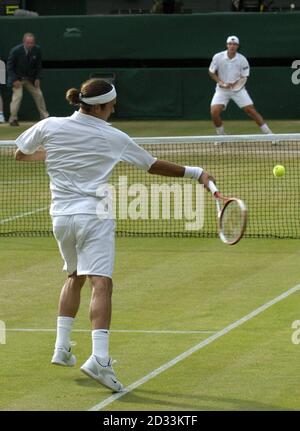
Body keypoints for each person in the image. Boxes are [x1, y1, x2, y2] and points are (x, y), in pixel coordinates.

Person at [14, 78, 215, 392]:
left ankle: (62, 347)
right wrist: (196, 172)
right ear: (102, 106)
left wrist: (54, 154)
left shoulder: (50, 125)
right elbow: (152, 165)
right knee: (101, 282)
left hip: (61, 218)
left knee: (74, 275)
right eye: (112, 106)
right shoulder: (114, 136)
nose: (113, 110)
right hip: (94, 216)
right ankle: (101, 360)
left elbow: (21, 154)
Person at [209, 35, 272, 135]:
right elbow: (211, 72)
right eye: (230, 44)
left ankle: (269, 134)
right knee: (214, 112)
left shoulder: (242, 60)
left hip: (238, 89)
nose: (232, 46)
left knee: (251, 111)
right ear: (227, 45)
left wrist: (235, 84)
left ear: (238, 46)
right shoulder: (218, 57)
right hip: (222, 90)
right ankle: (221, 136)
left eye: (234, 44)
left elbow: (244, 76)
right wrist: (220, 82)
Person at [7, 32, 49, 126]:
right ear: (24, 42)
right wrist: (14, 80)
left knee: (39, 94)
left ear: (34, 42)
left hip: (30, 79)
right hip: (17, 79)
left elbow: (38, 66)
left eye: (32, 43)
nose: (30, 45)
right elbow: (9, 67)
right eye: (28, 43)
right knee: (17, 97)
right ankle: (13, 119)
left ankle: (45, 117)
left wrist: (38, 78)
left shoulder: (37, 50)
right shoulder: (15, 51)